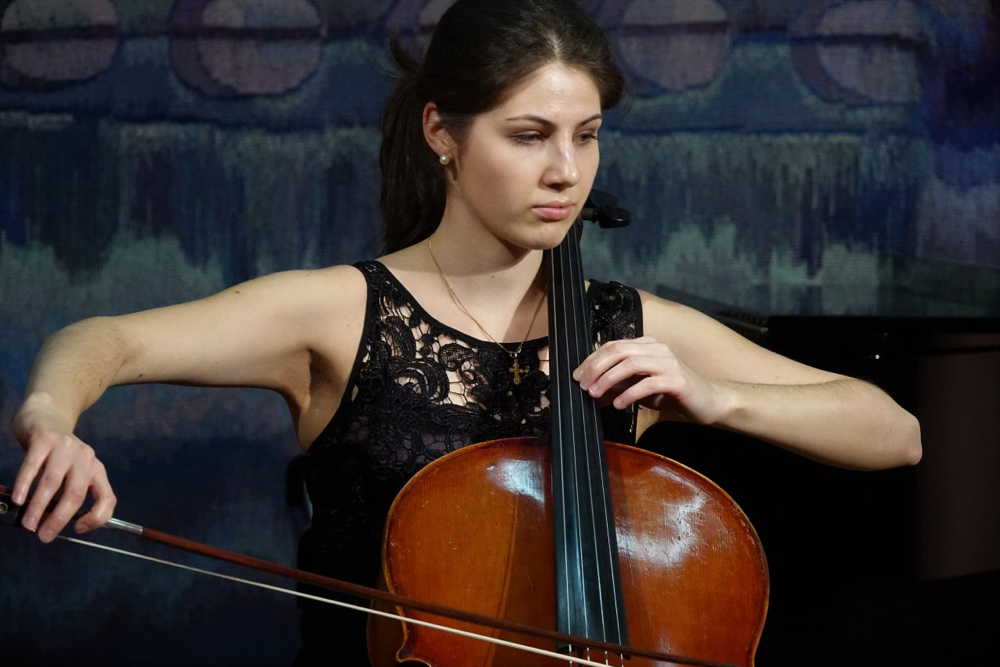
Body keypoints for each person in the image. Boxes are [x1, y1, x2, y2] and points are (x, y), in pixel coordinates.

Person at [9, 0, 921, 663]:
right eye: (529, 135)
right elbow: (106, 340)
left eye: (588, 135)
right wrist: (52, 417)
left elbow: (896, 432)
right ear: (442, 132)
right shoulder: (341, 313)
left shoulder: (628, 326)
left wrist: (719, 398)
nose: (567, 171)